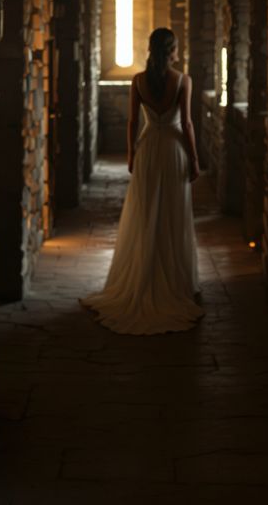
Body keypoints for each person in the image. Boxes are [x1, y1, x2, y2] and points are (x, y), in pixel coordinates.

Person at [81, 27, 205, 334]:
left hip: (148, 149)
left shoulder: (138, 81)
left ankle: (144, 275)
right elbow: (187, 123)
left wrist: (131, 154)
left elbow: (134, 121)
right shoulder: (182, 80)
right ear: (173, 50)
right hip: (173, 150)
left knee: (147, 210)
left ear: (151, 49)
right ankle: (176, 282)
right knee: (173, 214)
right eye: (176, 48)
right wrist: (195, 159)